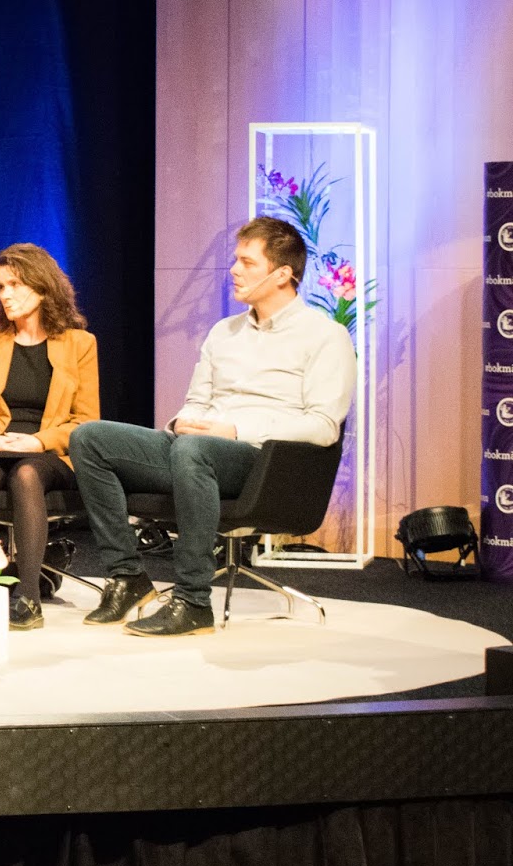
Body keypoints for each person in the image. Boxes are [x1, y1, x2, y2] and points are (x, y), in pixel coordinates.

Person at [69, 216, 356, 637]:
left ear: (282, 275)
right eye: (236, 260)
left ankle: (193, 600)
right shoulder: (224, 332)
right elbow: (197, 400)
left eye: (247, 262)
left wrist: (236, 430)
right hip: (198, 449)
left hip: (262, 462)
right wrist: (184, 421)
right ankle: (127, 576)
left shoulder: (325, 336)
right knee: (90, 437)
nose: (234, 270)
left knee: (194, 450)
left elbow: (323, 426)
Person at [0, 243, 99, 631]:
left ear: (43, 287)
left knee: (27, 474)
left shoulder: (80, 344)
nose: (6, 294)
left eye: (15, 284)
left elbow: (86, 423)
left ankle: (28, 597)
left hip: (50, 452)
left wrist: (38, 442)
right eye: (1, 286)